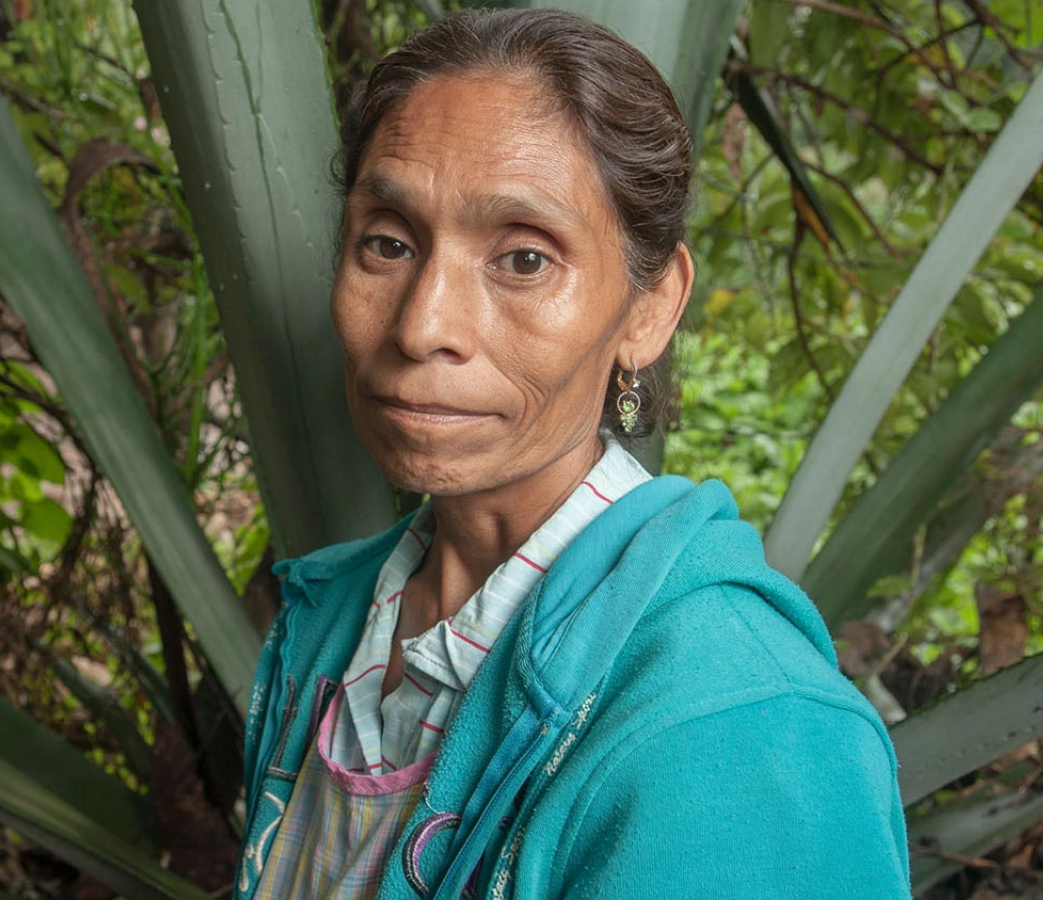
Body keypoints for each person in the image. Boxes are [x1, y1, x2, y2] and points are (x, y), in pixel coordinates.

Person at [233, 9, 910, 900]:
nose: (423, 324)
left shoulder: (738, 731)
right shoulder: (327, 620)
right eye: (388, 243)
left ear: (648, 309)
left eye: (523, 259)